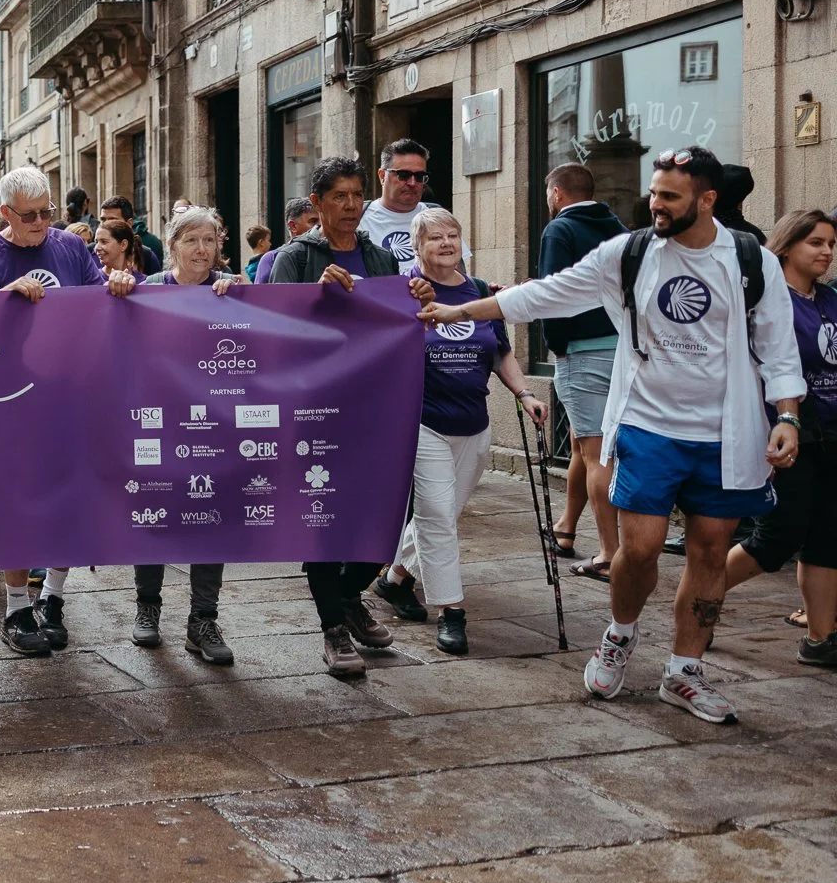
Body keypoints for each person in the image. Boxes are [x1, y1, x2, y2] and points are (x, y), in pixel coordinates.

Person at [420, 146, 804, 725]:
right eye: (653, 192)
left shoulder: (750, 260)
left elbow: (778, 346)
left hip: (727, 434)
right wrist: (461, 311)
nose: (655, 204)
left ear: (706, 200)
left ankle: (684, 671)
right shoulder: (632, 252)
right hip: (649, 426)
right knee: (640, 549)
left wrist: (788, 415)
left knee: (707, 552)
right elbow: (547, 292)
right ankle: (620, 634)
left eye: (669, 196)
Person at [0, 167, 139, 656]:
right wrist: (4, 300)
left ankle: (54, 598)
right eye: (30, 215)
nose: (42, 222)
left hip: (73, 392)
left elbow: (98, 301)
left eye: (48, 212)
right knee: (20, 502)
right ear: (5, 214)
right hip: (15, 399)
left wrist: (119, 284)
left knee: (73, 495)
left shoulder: (69, 246)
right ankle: (17, 607)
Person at [371, 208, 547, 655]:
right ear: (417, 246)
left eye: (453, 235)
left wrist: (525, 393)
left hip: (474, 422)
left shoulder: (479, 294)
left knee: (445, 513)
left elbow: (500, 353)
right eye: (435, 238)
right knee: (435, 514)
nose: (446, 243)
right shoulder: (403, 291)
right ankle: (452, 611)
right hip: (421, 420)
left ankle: (394, 580)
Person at [269, 158, 414, 676]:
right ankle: (334, 628)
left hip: (372, 409)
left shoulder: (381, 261)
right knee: (323, 519)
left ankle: (350, 596)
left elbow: (395, 328)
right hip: (314, 413)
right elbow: (275, 333)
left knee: (388, 514)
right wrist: (317, 299)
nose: (351, 206)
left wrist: (415, 300)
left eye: (357, 195)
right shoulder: (294, 259)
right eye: (339, 197)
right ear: (318, 205)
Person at [697, 209, 837, 666]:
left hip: (832, 435)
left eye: (831, 244)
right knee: (778, 535)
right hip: (785, 432)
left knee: (826, 538)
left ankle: (820, 639)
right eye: (816, 242)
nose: (827, 252)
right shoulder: (765, 299)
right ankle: (701, 603)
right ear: (787, 244)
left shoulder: (829, 299)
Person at [130, 207, 241, 663]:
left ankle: (203, 619)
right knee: (153, 515)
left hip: (211, 425)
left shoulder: (230, 291)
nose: (201, 249)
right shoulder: (147, 290)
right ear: (171, 244)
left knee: (210, 518)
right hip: (155, 423)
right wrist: (117, 292)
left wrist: (244, 297)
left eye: (210, 240)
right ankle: (147, 608)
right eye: (191, 240)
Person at [540, 164, 628, 581]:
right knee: (581, 444)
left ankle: (612, 553)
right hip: (623, 350)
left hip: (582, 352)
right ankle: (566, 528)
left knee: (596, 454)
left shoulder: (560, 230)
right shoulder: (620, 229)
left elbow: (554, 292)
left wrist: (557, 346)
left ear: (556, 193)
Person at [359, 138, 466, 269]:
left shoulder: (438, 218)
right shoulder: (357, 218)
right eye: (403, 175)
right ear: (382, 176)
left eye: (419, 176)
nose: (412, 183)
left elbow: (458, 274)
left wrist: (482, 288)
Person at [252, 198, 318, 286]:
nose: (319, 226)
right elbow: (259, 297)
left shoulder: (327, 253)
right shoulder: (271, 259)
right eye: (313, 221)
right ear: (293, 226)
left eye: (322, 221)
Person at [99, 195, 164, 272]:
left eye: (112, 220)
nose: (106, 224)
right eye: (103, 220)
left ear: (129, 223)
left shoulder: (146, 256)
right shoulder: (89, 253)